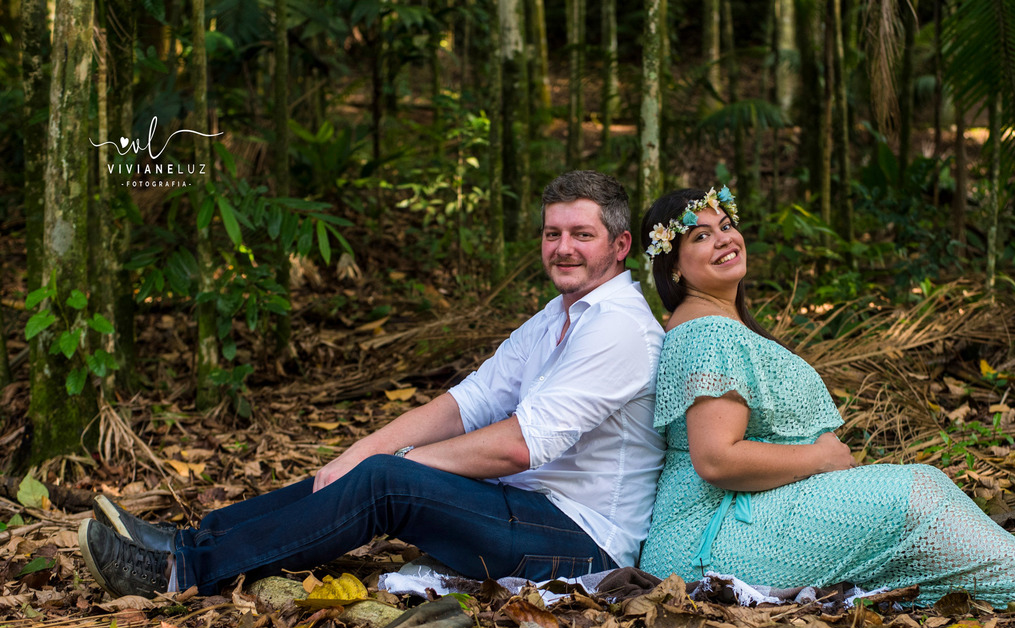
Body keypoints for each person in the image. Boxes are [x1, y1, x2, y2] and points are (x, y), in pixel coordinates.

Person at [78, 171, 666, 599]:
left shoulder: (617, 328)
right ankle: (189, 541)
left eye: (581, 235)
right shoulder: (557, 316)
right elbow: (468, 402)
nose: (562, 248)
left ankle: (182, 573)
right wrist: (358, 452)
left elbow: (517, 445)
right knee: (369, 467)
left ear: (619, 247)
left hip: (579, 537)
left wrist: (397, 461)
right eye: (551, 233)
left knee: (387, 480)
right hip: (525, 507)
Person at [635, 186, 1015, 617]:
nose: (725, 238)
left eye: (726, 225)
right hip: (711, 543)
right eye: (701, 236)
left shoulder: (712, 325)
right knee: (914, 492)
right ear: (674, 267)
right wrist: (821, 460)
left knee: (924, 500)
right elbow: (715, 459)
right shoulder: (705, 332)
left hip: (743, 522)